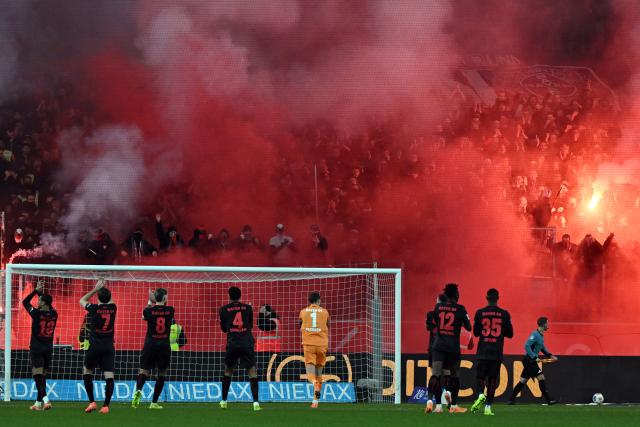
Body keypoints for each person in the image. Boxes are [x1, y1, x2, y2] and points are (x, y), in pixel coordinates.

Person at [425, 283, 471, 414]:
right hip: (452, 348)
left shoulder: (438, 307)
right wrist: (460, 321)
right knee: (454, 376)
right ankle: (453, 405)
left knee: (436, 375)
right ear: (456, 295)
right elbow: (468, 327)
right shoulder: (460, 308)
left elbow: (433, 323)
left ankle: (431, 403)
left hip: (438, 347)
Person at [470, 289, 513, 415]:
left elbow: (476, 333)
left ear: (486, 298)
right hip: (496, 351)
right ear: (498, 298)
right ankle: (488, 407)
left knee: (480, 377)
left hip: (483, 350)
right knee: (493, 380)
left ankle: (480, 394)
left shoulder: (480, 313)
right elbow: (510, 334)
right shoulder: (504, 314)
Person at [218, 286, 261, 411]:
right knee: (252, 371)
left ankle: (224, 401)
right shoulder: (248, 308)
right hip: (246, 342)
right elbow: (250, 325)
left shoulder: (224, 309)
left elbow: (224, 329)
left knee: (228, 370)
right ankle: (256, 403)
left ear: (229, 296)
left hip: (233, 343)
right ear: (240, 296)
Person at [132, 288, 175, 409]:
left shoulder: (148, 311)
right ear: (165, 298)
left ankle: (138, 390)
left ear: (155, 298)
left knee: (143, 371)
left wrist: (150, 301)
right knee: (161, 373)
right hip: (164, 346)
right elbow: (164, 310)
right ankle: (154, 403)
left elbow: (143, 316)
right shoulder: (170, 310)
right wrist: (156, 300)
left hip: (150, 344)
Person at [79, 280, 117, 414]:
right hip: (108, 347)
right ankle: (106, 406)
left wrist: (96, 289)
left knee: (87, 371)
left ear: (97, 298)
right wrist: (105, 289)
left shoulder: (93, 309)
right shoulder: (113, 308)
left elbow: (82, 300)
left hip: (94, 347)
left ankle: (92, 402)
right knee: (109, 375)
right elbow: (110, 300)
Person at [22, 280, 57, 411]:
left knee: (37, 375)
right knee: (42, 376)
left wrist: (36, 291)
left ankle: (46, 399)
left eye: (39, 300)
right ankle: (38, 403)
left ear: (43, 303)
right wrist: (42, 295)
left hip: (36, 348)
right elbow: (50, 306)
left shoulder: (36, 313)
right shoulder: (54, 314)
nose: (37, 301)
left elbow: (25, 302)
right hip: (48, 348)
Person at [508, 317, 558, 405]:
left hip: (530, 361)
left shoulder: (541, 335)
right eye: (547, 323)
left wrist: (550, 355)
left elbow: (542, 347)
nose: (548, 325)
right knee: (541, 377)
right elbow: (526, 346)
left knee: (523, 381)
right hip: (529, 361)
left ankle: (510, 399)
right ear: (543, 324)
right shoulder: (535, 335)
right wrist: (535, 357)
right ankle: (549, 400)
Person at [299, 292, 330, 409]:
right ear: (319, 300)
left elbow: (300, 325)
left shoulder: (303, 311)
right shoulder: (325, 311)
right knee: (319, 373)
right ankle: (315, 401)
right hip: (322, 344)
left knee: (310, 374)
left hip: (309, 344)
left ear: (309, 301)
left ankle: (314, 383)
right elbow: (328, 325)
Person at [425, 294, 452, 412]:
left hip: (434, 348)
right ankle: (446, 393)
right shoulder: (451, 315)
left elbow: (428, 327)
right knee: (446, 374)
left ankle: (434, 402)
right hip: (447, 348)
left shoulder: (431, 314)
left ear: (437, 301)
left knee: (435, 376)